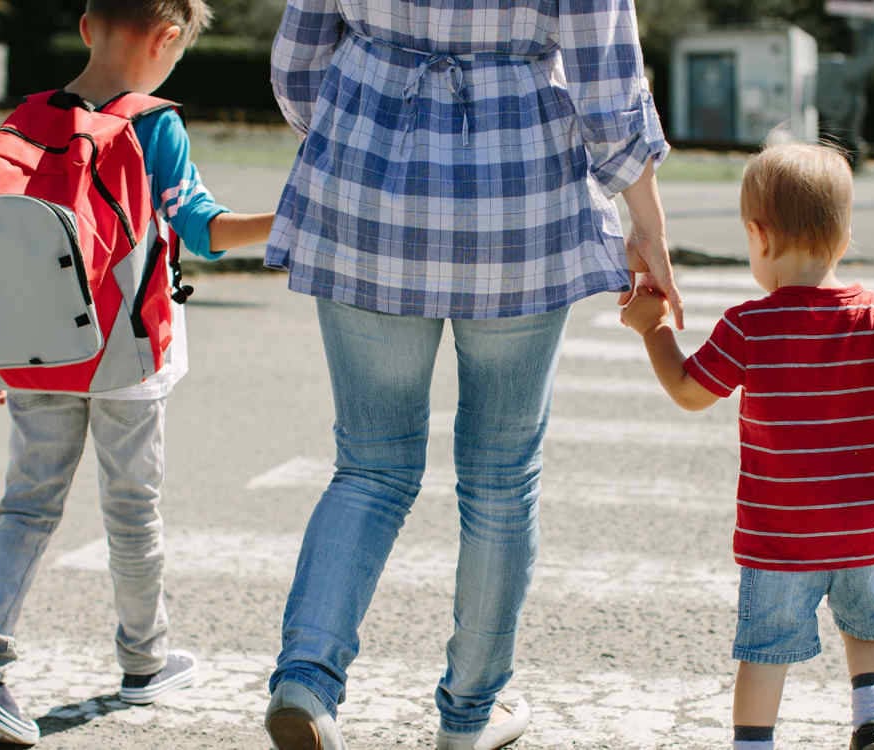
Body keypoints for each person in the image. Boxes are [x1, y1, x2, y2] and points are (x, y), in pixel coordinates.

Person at [262, 1, 680, 748]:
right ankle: (470, 716)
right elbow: (606, 81)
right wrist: (645, 226)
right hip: (517, 201)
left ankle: (307, 682)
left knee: (368, 467)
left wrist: (368, 132)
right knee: (499, 480)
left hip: (367, 192)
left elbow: (298, 62)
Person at [0, 1, 275, 744]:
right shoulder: (154, 124)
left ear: (86, 26)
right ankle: (145, 658)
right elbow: (205, 232)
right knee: (132, 511)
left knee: (25, 508)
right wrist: (294, 217)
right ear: (169, 38)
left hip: (35, 351)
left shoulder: (23, 119)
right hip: (126, 356)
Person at [619, 142, 874, 750]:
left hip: (781, 532)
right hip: (867, 524)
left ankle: (754, 743)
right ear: (843, 238)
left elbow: (690, 392)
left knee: (765, 648)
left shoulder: (749, 324)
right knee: (868, 626)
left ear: (758, 236)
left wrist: (654, 329)